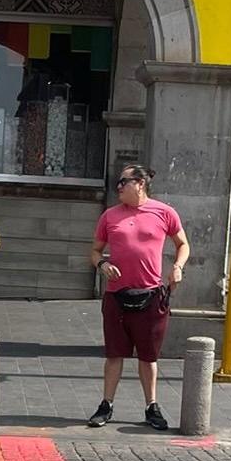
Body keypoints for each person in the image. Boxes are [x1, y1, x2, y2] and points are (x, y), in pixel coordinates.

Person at [86, 164, 190, 431]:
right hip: (116, 296)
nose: (118, 187)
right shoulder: (110, 216)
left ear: (140, 183)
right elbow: (95, 251)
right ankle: (106, 404)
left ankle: (151, 406)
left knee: (148, 357)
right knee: (114, 354)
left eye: (123, 182)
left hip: (151, 294)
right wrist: (102, 265)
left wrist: (177, 268)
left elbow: (183, 244)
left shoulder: (164, 212)